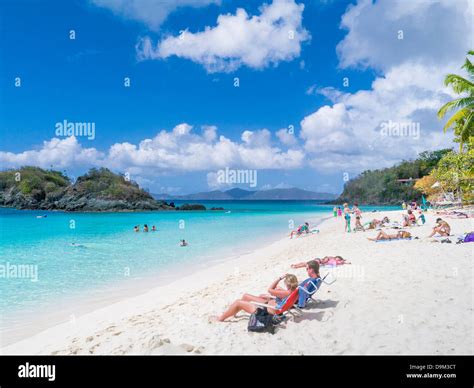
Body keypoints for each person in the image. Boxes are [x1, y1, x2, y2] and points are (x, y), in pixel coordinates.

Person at [211, 274, 299, 322]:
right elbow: (283, 296)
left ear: (287, 283)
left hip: (266, 312)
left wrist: (279, 278)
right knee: (246, 296)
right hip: (270, 305)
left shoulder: (286, 293)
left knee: (238, 302)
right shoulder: (294, 291)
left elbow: (269, 289)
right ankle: (232, 311)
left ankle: (220, 318)